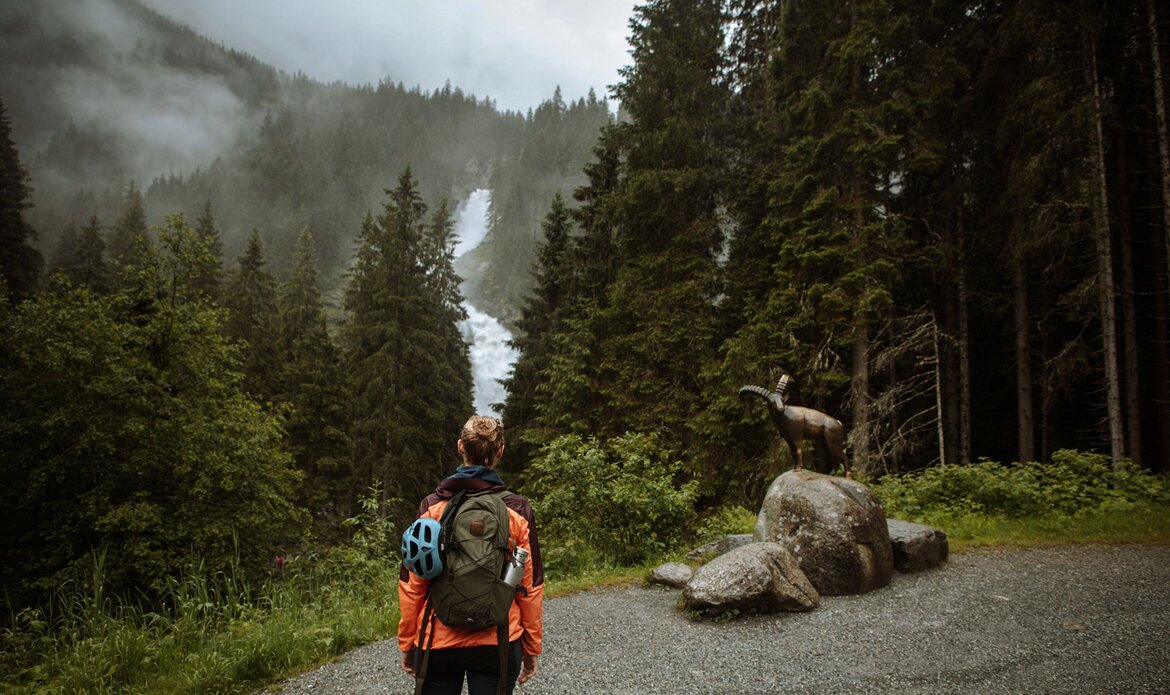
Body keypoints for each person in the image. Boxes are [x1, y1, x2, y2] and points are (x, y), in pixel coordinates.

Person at [398, 415, 543, 694]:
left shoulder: (432, 507)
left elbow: (412, 584)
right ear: (500, 451)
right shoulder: (517, 511)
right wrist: (531, 646)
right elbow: (530, 587)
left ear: (460, 447)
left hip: (437, 641)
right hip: (498, 641)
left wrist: (407, 642)